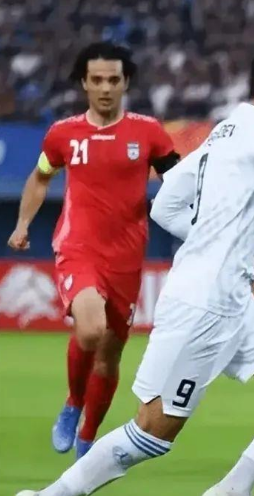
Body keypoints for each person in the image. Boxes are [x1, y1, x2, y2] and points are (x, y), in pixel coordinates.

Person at [16, 41, 254, 496]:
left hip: (234, 298)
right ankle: (52, 494)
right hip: (203, 306)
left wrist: (211, 240)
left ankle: (231, 489)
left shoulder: (226, 129)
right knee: (151, 433)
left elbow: (167, 204)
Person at [7, 42, 178, 459]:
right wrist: (23, 223)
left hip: (127, 259)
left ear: (125, 83)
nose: (105, 87)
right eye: (97, 80)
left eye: (113, 80)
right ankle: (72, 404)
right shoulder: (63, 134)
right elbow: (41, 176)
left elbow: (181, 181)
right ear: (84, 83)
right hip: (78, 248)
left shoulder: (149, 133)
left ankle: (87, 439)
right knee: (89, 330)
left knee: (109, 357)